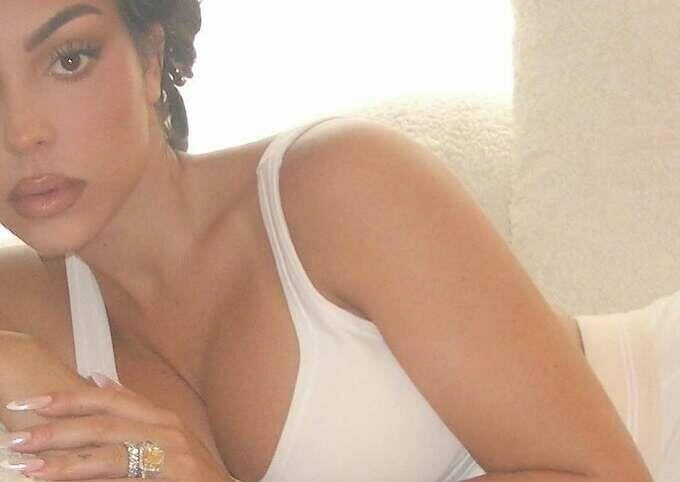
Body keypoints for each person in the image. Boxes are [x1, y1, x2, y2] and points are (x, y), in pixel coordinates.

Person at [0, 1, 661, 481]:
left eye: (69, 59)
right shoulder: (23, 314)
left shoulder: (339, 185)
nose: (22, 133)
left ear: (151, 57)